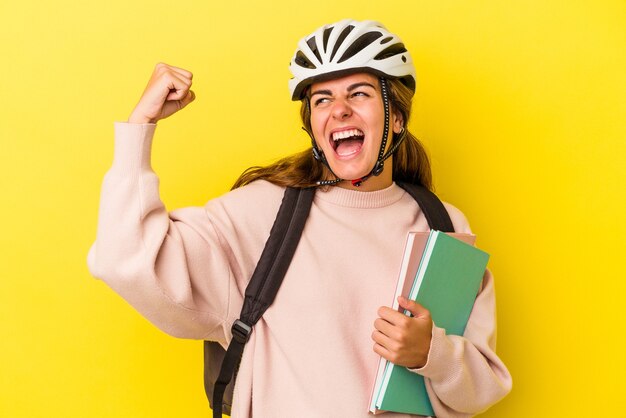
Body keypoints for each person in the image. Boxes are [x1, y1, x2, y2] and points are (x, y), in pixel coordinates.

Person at [88, 19, 512, 417]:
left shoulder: (442, 224)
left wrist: (431, 354)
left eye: (359, 93)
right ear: (312, 124)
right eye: (322, 99)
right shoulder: (262, 213)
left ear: (396, 117)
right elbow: (125, 259)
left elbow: (481, 387)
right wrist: (138, 128)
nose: (339, 110)